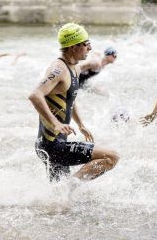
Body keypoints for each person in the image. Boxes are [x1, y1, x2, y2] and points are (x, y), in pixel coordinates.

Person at [29, 23, 119, 182]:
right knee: (111, 157)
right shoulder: (58, 69)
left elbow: (70, 98)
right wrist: (56, 123)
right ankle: (71, 185)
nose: (90, 48)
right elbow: (35, 95)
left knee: (60, 200)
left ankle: (64, 191)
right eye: (86, 44)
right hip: (52, 145)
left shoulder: (75, 68)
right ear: (73, 46)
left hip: (57, 142)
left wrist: (81, 124)